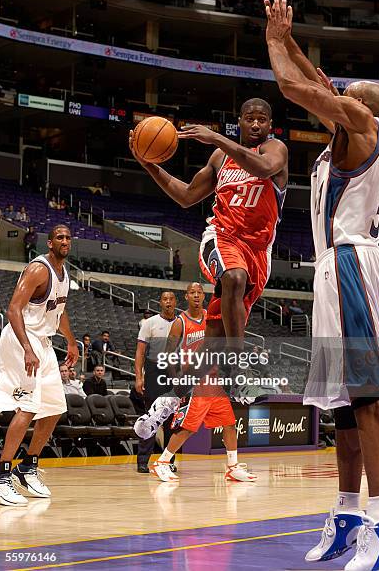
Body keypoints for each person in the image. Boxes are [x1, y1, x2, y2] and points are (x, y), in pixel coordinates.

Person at [265, 0, 379, 570]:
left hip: (349, 264)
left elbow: (296, 87)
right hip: (328, 270)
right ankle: (348, 514)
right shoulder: (347, 126)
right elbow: (313, 79)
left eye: (348, 92)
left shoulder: (360, 123)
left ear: (364, 105)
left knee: (366, 397)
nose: (337, 92)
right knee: (342, 405)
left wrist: (273, 39)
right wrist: (291, 36)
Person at [130, 93, 288, 435]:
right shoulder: (220, 159)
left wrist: (217, 136)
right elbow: (186, 196)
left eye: (262, 119)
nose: (257, 124)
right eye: (250, 118)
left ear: (269, 125)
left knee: (212, 345)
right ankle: (238, 368)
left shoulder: (276, 151)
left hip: (259, 252)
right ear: (240, 122)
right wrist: (148, 164)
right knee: (233, 277)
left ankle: (168, 402)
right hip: (221, 238)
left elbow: (261, 168)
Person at [0, 224, 78, 505]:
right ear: (50, 243)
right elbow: (13, 309)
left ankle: (28, 466)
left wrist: (70, 341)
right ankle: (1, 475)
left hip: (42, 341)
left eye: (68, 237)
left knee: (54, 408)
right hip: (22, 340)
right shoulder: (38, 269)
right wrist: (27, 349)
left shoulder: (66, 273)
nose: (65, 240)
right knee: (28, 406)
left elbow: (60, 311)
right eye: (59, 237)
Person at [150, 282, 256, 483]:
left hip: (214, 382)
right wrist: (176, 383)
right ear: (186, 296)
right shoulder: (180, 322)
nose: (196, 295)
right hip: (195, 381)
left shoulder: (212, 318)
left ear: (204, 296)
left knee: (230, 424)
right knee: (187, 427)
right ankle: (162, 463)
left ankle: (232, 467)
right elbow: (168, 353)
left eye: (199, 292)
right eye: (192, 292)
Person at [134, 291, 177, 473]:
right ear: (160, 302)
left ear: (175, 302)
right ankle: (143, 461)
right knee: (151, 416)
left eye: (171, 299)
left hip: (175, 372)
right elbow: (140, 352)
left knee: (172, 420)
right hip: (153, 371)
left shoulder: (181, 322)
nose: (168, 302)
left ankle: (168, 461)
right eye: (164, 299)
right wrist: (138, 376)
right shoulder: (149, 323)